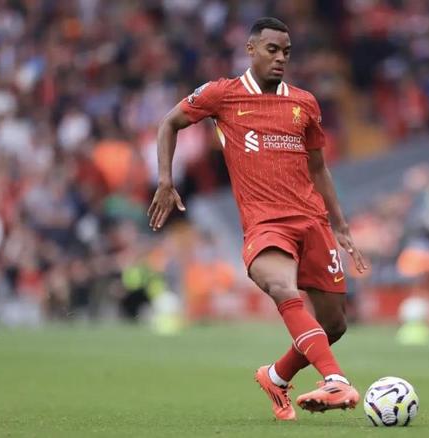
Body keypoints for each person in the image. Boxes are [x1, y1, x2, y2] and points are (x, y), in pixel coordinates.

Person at [147, 17, 368, 421]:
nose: (281, 58)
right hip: (265, 225)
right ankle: (335, 380)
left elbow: (318, 168)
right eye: (272, 49)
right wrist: (165, 180)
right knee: (283, 287)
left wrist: (340, 225)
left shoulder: (305, 102)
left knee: (334, 325)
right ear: (250, 50)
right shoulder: (223, 94)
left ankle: (275, 377)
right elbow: (169, 123)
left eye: (286, 52)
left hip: (312, 222)